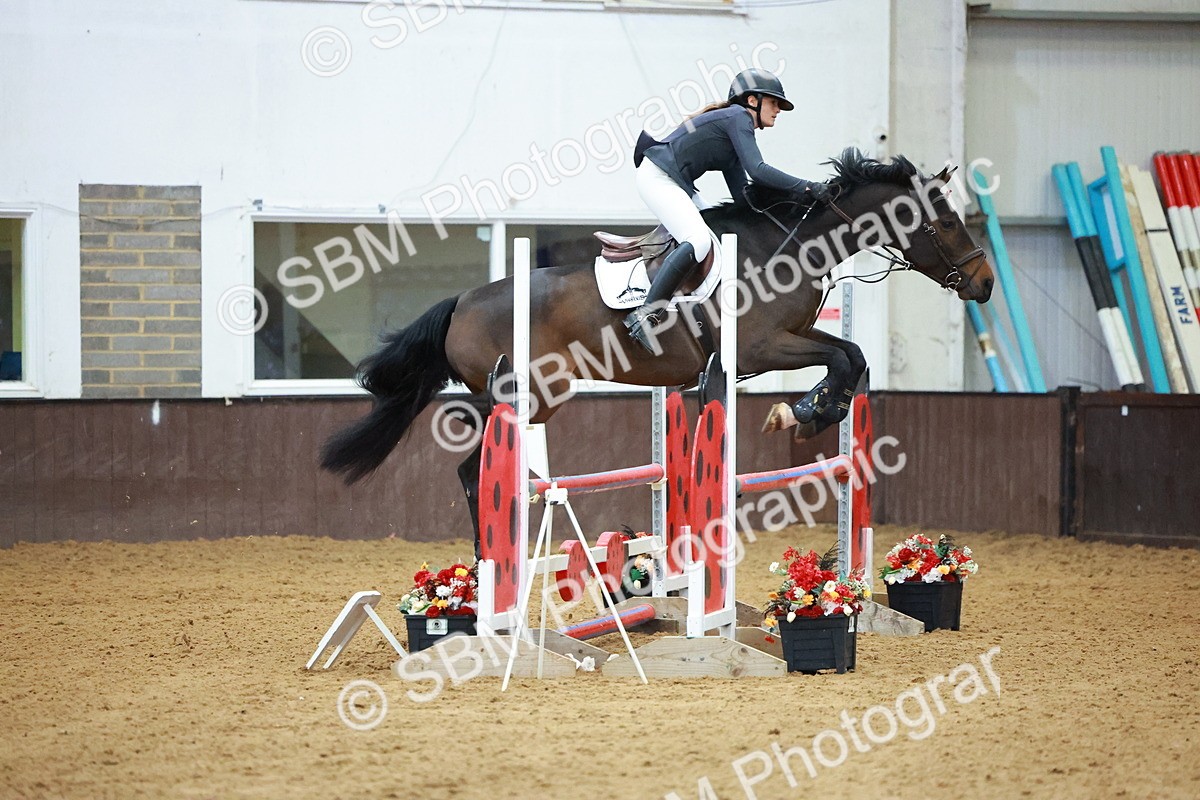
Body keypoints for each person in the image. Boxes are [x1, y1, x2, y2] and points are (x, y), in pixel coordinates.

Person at [624, 68, 831, 353]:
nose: (778, 110)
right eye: (774, 102)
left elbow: (744, 199)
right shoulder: (738, 118)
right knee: (698, 241)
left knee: (719, 235)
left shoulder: (735, 130)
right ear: (752, 101)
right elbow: (758, 171)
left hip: (677, 183)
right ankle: (645, 314)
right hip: (657, 177)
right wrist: (806, 187)